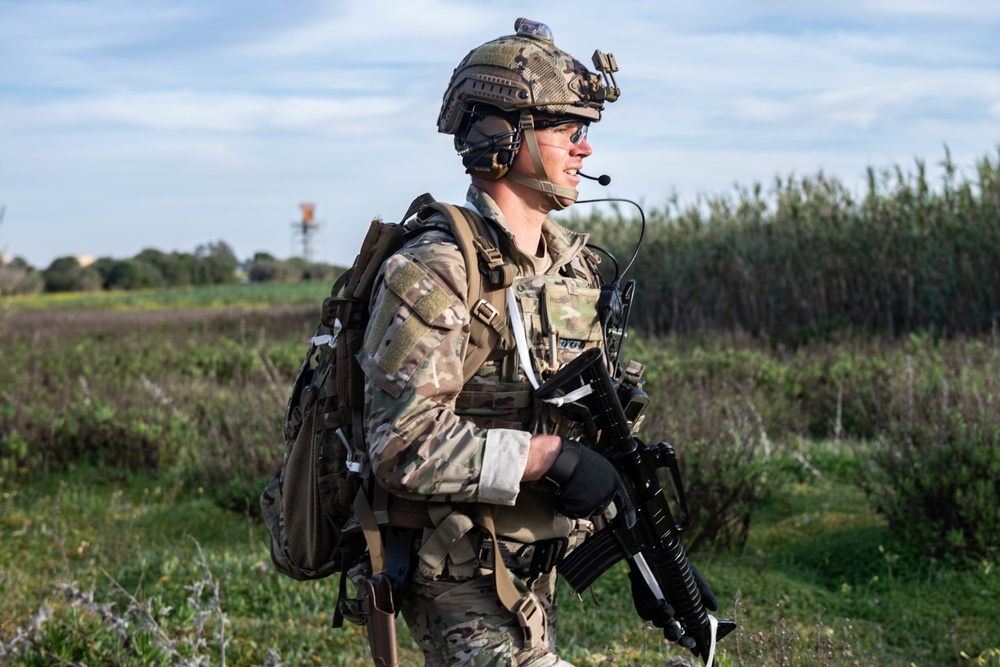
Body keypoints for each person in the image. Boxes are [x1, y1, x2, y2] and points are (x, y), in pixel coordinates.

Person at [358, 18, 645, 666]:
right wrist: (549, 458)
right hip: (453, 563)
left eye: (586, 131)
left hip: (530, 564)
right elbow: (399, 444)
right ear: (501, 135)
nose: (584, 149)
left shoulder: (569, 268)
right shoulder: (435, 267)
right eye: (568, 129)